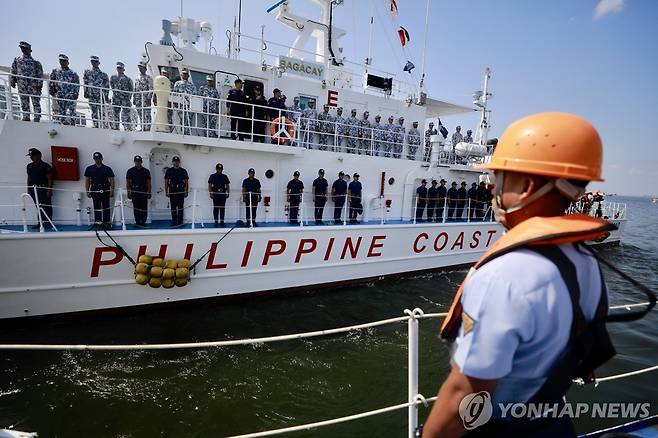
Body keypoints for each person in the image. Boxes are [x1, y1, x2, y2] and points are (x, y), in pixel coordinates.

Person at [424, 112, 617, 437]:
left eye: (499, 178)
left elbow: (465, 392)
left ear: (526, 186)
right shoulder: (585, 260)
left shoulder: (505, 275)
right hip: (553, 423)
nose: (490, 187)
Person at [11, 41, 43, 122]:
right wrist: (12, 80)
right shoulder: (17, 60)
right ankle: (26, 116)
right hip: (22, 85)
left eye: (26, 48)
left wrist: (39, 86)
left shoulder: (36, 62)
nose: (24, 50)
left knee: (35, 102)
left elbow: (40, 75)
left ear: (30, 50)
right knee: (24, 102)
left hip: (33, 86)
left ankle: (37, 117)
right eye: (22, 48)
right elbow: (13, 71)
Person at [84, 152, 114, 226]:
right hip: (95, 189)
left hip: (105, 189)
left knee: (106, 207)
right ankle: (98, 223)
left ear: (102, 158)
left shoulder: (107, 169)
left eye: (99, 158)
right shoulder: (89, 169)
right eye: (96, 159)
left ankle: (107, 223)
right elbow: (87, 180)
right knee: (96, 207)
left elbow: (112, 180)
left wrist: (111, 190)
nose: (97, 160)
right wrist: (87, 191)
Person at [49, 54, 80, 125]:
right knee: (62, 110)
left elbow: (77, 84)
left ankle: (73, 122)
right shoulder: (55, 71)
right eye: (61, 61)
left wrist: (76, 93)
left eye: (64, 61)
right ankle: (63, 121)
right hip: (60, 94)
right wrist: (51, 89)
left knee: (72, 110)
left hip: (70, 95)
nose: (62, 62)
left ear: (67, 62)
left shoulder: (73, 73)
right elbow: (52, 81)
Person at [26, 147, 53, 227]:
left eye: (33, 155)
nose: (31, 157)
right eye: (30, 156)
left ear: (39, 155)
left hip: (44, 188)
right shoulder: (29, 166)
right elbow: (29, 177)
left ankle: (48, 223)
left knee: (46, 206)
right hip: (34, 189)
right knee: (38, 206)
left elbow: (50, 178)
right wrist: (28, 188)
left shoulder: (45, 166)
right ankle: (40, 223)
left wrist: (49, 189)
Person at [83, 55, 110, 128]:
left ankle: (103, 125)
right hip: (92, 95)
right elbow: (85, 83)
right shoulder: (87, 72)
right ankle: (96, 125)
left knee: (102, 112)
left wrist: (106, 96)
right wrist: (85, 92)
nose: (94, 63)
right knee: (94, 112)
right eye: (92, 61)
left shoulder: (103, 75)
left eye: (95, 62)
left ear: (98, 63)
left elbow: (107, 86)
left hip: (101, 96)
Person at [126, 155, 151, 227]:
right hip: (135, 191)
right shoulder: (130, 171)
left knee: (144, 207)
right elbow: (128, 182)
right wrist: (129, 192)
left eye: (139, 161)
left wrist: (149, 192)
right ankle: (137, 222)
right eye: (136, 161)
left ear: (141, 162)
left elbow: (148, 182)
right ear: (134, 162)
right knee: (136, 207)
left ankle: (143, 222)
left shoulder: (146, 171)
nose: (137, 163)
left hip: (143, 190)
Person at [164, 156, 189, 227]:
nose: (176, 162)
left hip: (180, 190)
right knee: (173, 207)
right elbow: (166, 181)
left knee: (180, 207)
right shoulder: (169, 171)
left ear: (179, 162)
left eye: (177, 161)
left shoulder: (183, 171)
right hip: (172, 190)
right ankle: (174, 221)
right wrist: (166, 191)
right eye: (174, 161)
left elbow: (186, 182)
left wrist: (186, 191)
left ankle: (180, 221)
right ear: (172, 162)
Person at [109, 62, 133, 131]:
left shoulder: (128, 79)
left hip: (125, 99)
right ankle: (116, 127)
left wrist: (128, 97)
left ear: (123, 69)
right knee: (115, 113)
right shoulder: (113, 77)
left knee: (126, 114)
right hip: (116, 98)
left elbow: (131, 89)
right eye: (118, 68)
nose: (119, 69)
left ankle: (127, 127)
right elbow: (112, 86)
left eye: (120, 68)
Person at [172, 69, 196, 135]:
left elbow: (194, 96)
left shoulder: (192, 86)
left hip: (189, 107)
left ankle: (187, 134)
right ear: (181, 75)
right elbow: (174, 93)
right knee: (181, 120)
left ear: (188, 76)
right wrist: (175, 104)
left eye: (186, 74)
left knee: (188, 121)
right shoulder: (177, 84)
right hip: (180, 106)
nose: (184, 75)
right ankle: (183, 133)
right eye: (183, 74)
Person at [208, 163, 230, 227]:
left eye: (220, 169)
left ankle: (222, 221)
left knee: (222, 208)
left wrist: (228, 193)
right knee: (216, 208)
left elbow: (227, 185)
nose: (219, 170)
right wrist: (211, 193)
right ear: (216, 169)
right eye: (218, 169)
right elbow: (209, 185)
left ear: (222, 169)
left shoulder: (225, 176)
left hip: (223, 194)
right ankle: (216, 221)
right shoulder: (212, 176)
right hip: (215, 194)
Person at [133, 61, 153, 132]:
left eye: (142, 67)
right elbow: (135, 88)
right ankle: (143, 127)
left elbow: (151, 88)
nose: (140, 69)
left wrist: (148, 98)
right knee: (140, 114)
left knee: (147, 114)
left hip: (145, 99)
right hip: (138, 99)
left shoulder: (148, 78)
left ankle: (147, 128)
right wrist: (134, 99)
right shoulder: (137, 78)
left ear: (145, 69)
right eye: (139, 67)